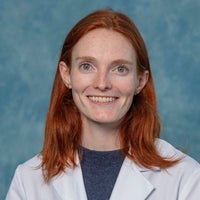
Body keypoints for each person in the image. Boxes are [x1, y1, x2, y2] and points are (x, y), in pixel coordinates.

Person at [6, 9, 200, 200]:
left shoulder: (186, 179)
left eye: (120, 68)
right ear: (66, 75)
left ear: (140, 81)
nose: (102, 84)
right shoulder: (28, 180)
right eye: (87, 66)